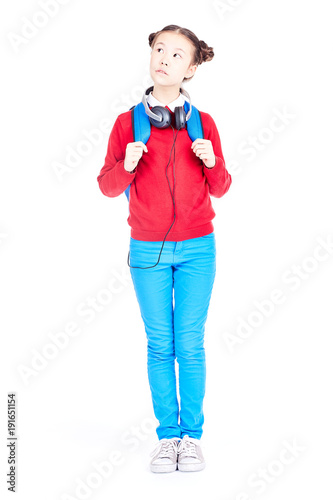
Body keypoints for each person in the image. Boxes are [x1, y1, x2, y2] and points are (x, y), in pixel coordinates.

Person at [97, 24, 232, 473]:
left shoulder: (203, 123)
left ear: (191, 68)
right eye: (159, 49)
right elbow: (107, 186)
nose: (165, 59)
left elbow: (223, 187)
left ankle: (191, 438)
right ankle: (167, 437)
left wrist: (211, 161)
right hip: (147, 250)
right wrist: (128, 165)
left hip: (197, 248)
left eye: (177, 55)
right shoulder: (126, 123)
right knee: (160, 344)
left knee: (189, 343)